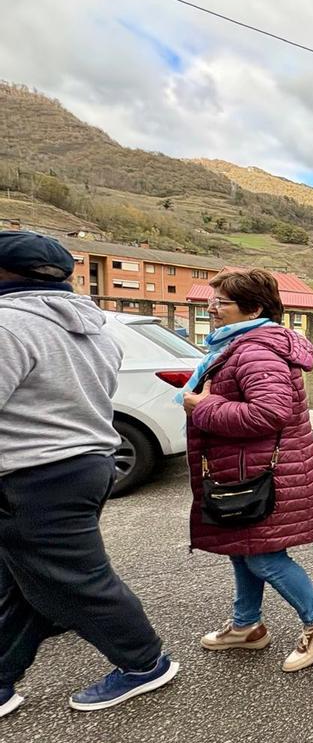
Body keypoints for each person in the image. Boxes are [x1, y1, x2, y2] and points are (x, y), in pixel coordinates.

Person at [0, 231, 177, 716]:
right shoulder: (95, 325)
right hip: (87, 461)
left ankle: (145, 664)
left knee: (78, 579)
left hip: (33, 473)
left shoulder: (9, 325)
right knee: (23, 576)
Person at [183, 269, 313, 672]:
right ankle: (246, 626)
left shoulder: (256, 350)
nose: (211, 307)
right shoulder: (238, 345)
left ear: (253, 308)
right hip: (244, 470)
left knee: (263, 556)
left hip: (263, 474)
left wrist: (201, 407)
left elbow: (269, 413)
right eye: (213, 299)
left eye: (221, 302)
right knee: (243, 550)